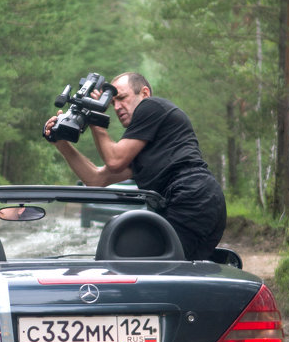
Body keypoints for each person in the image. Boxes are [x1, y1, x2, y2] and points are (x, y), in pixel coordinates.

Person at [45, 71, 226, 260]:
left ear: (145, 93)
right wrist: (61, 144)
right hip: (199, 201)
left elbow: (114, 161)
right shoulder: (141, 144)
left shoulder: (152, 106)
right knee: (168, 273)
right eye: (113, 102)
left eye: (122, 98)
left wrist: (95, 119)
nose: (116, 107)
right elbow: (96, 179)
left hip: (192, 197)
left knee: (134, 262)